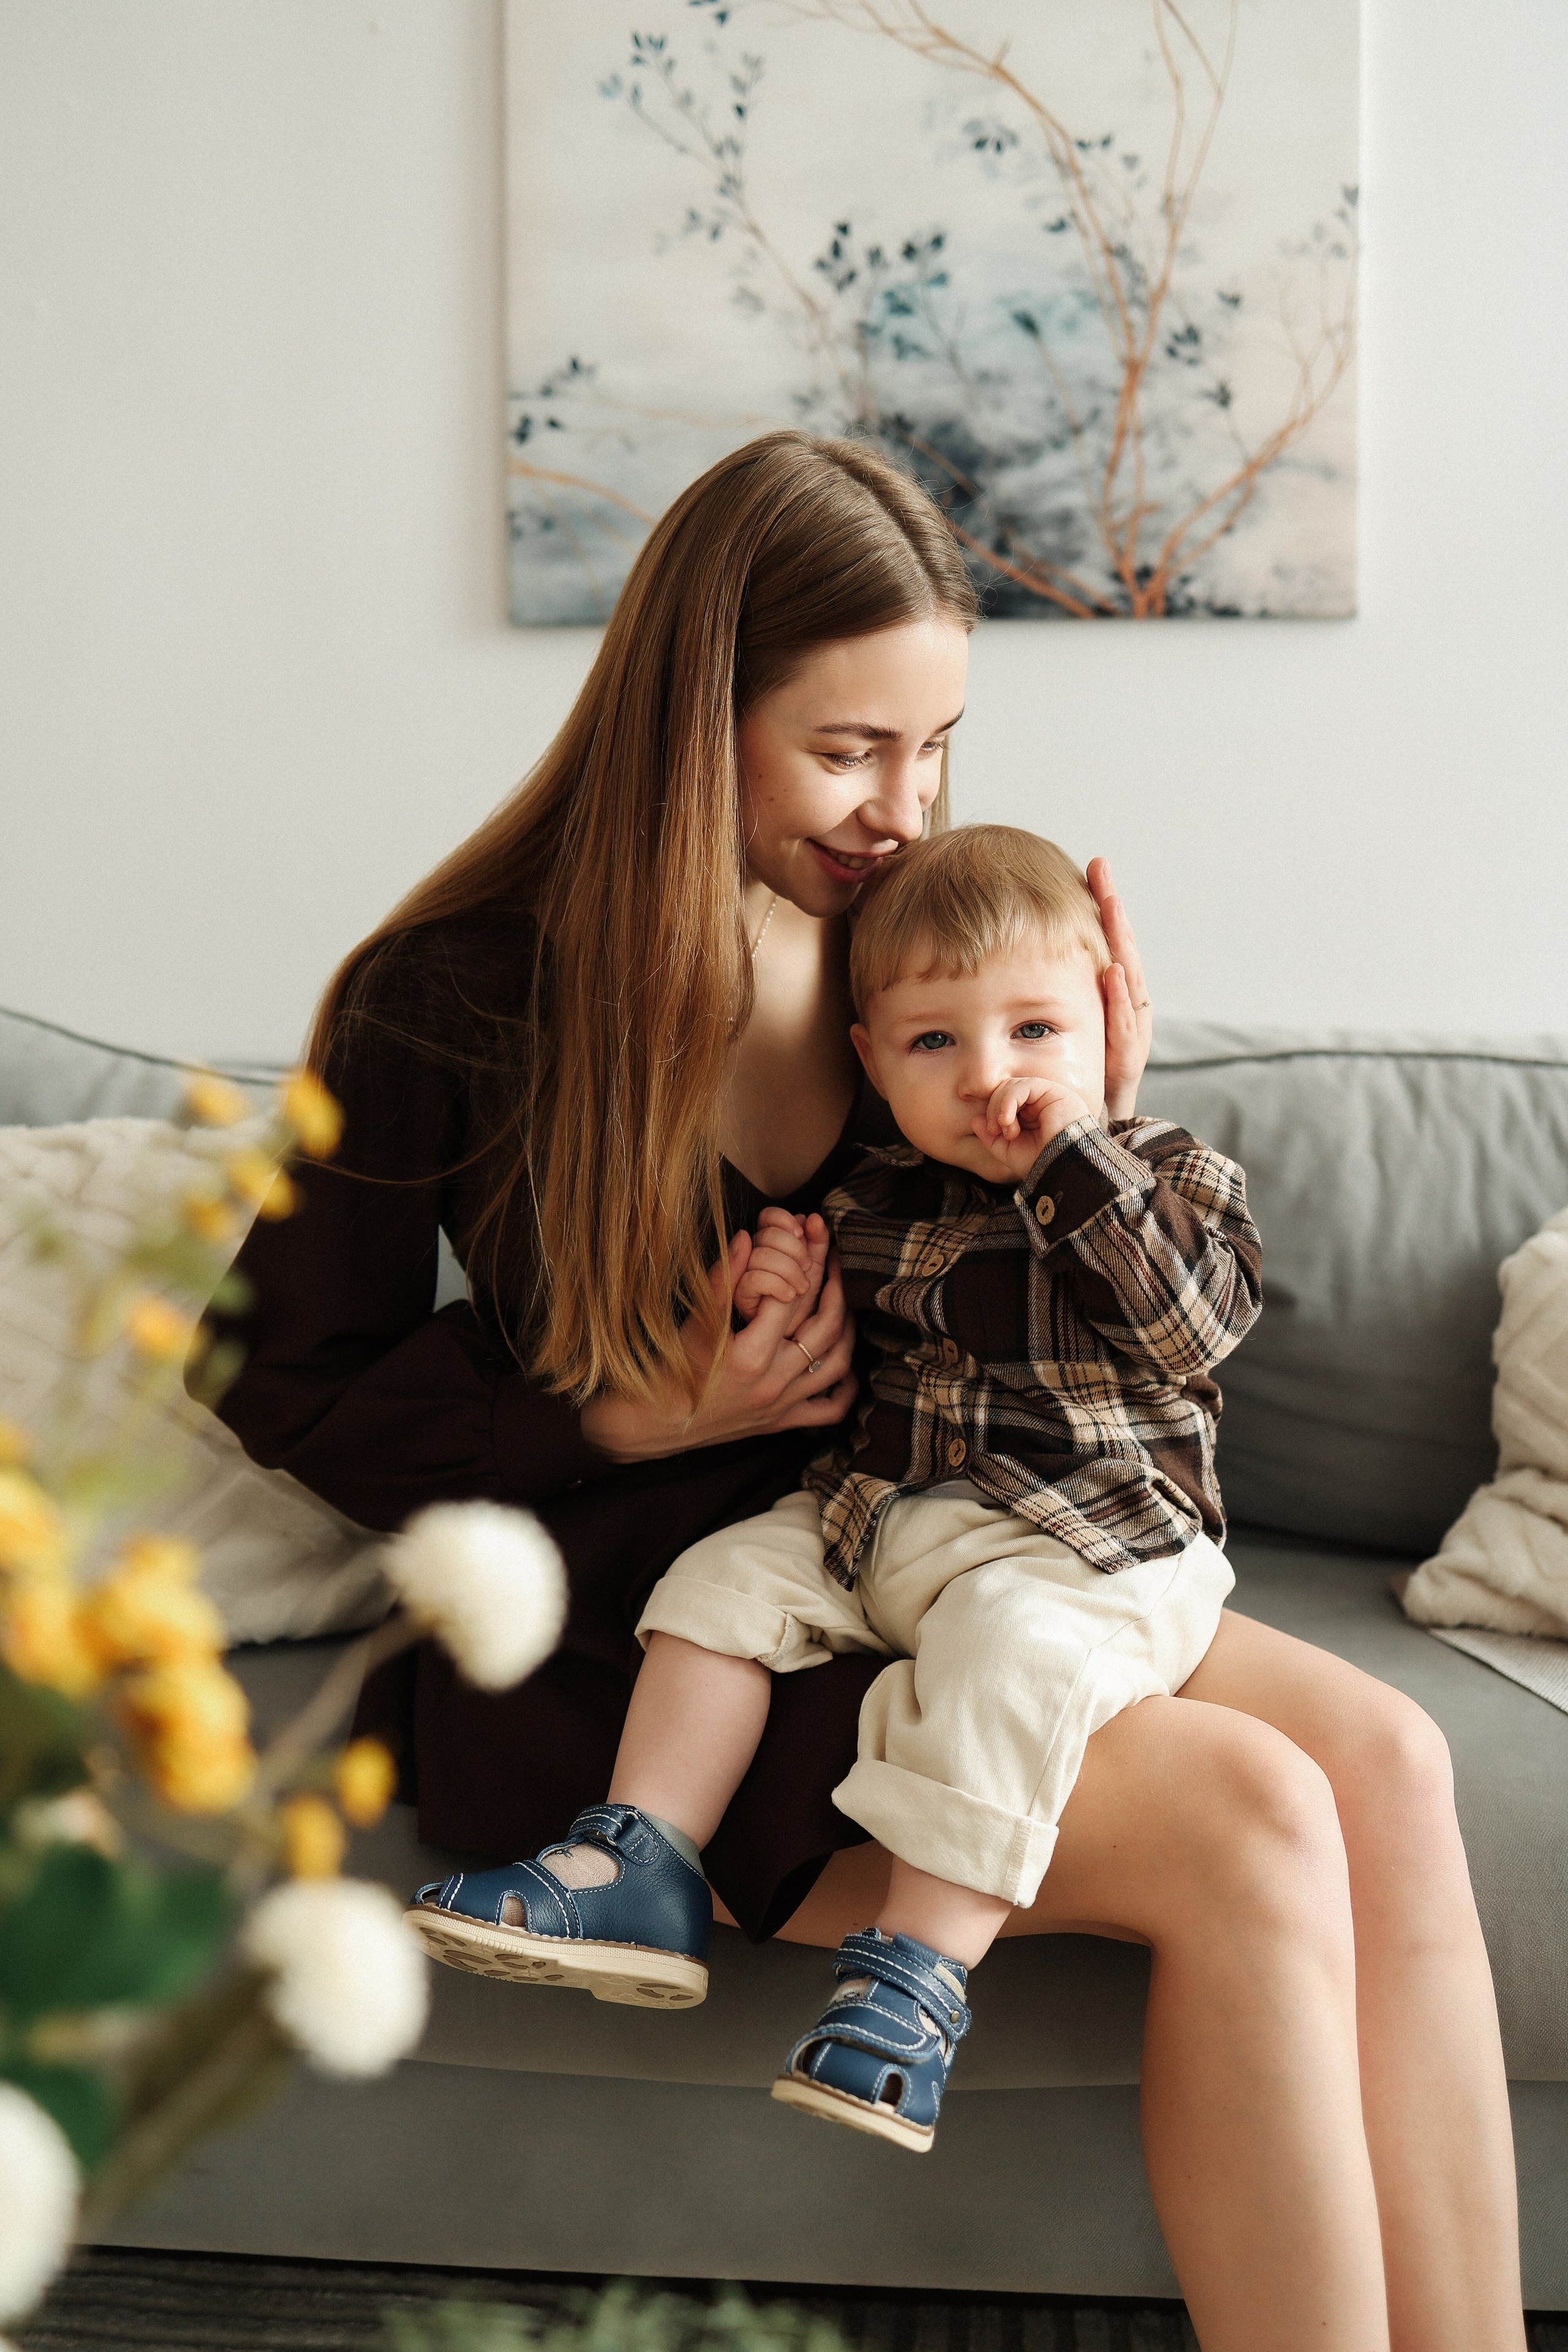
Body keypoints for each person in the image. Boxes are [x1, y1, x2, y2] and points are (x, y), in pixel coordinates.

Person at [210, 432, 1525, 2350]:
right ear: (694, 713)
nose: (902, 811)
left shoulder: (890, 957)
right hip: (665, 1646)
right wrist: (621, 1417)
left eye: (938, 749)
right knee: (1253, 1814)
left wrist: (1088, 1125)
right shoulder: (452, 999)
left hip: (939, 1547)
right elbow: (275, 1370)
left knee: (1394, 1762)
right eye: (848, 752)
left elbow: (1067, 1313)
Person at [408, 825, 1263, 2161]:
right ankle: (640, 1859)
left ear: (1105, 1018)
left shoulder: (1161, 1173)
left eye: (1033, 1027)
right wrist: (770, 1296)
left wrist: (1075, 1151)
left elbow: (1187, 1330)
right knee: (720, 1580)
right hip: (883, 1517)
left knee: (1005, 1661)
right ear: (869, 1060)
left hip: (1086, 1551)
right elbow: (830, 1345)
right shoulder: (876, 1199)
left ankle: (912, 1986)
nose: (992, 1080)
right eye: (935, 1045)